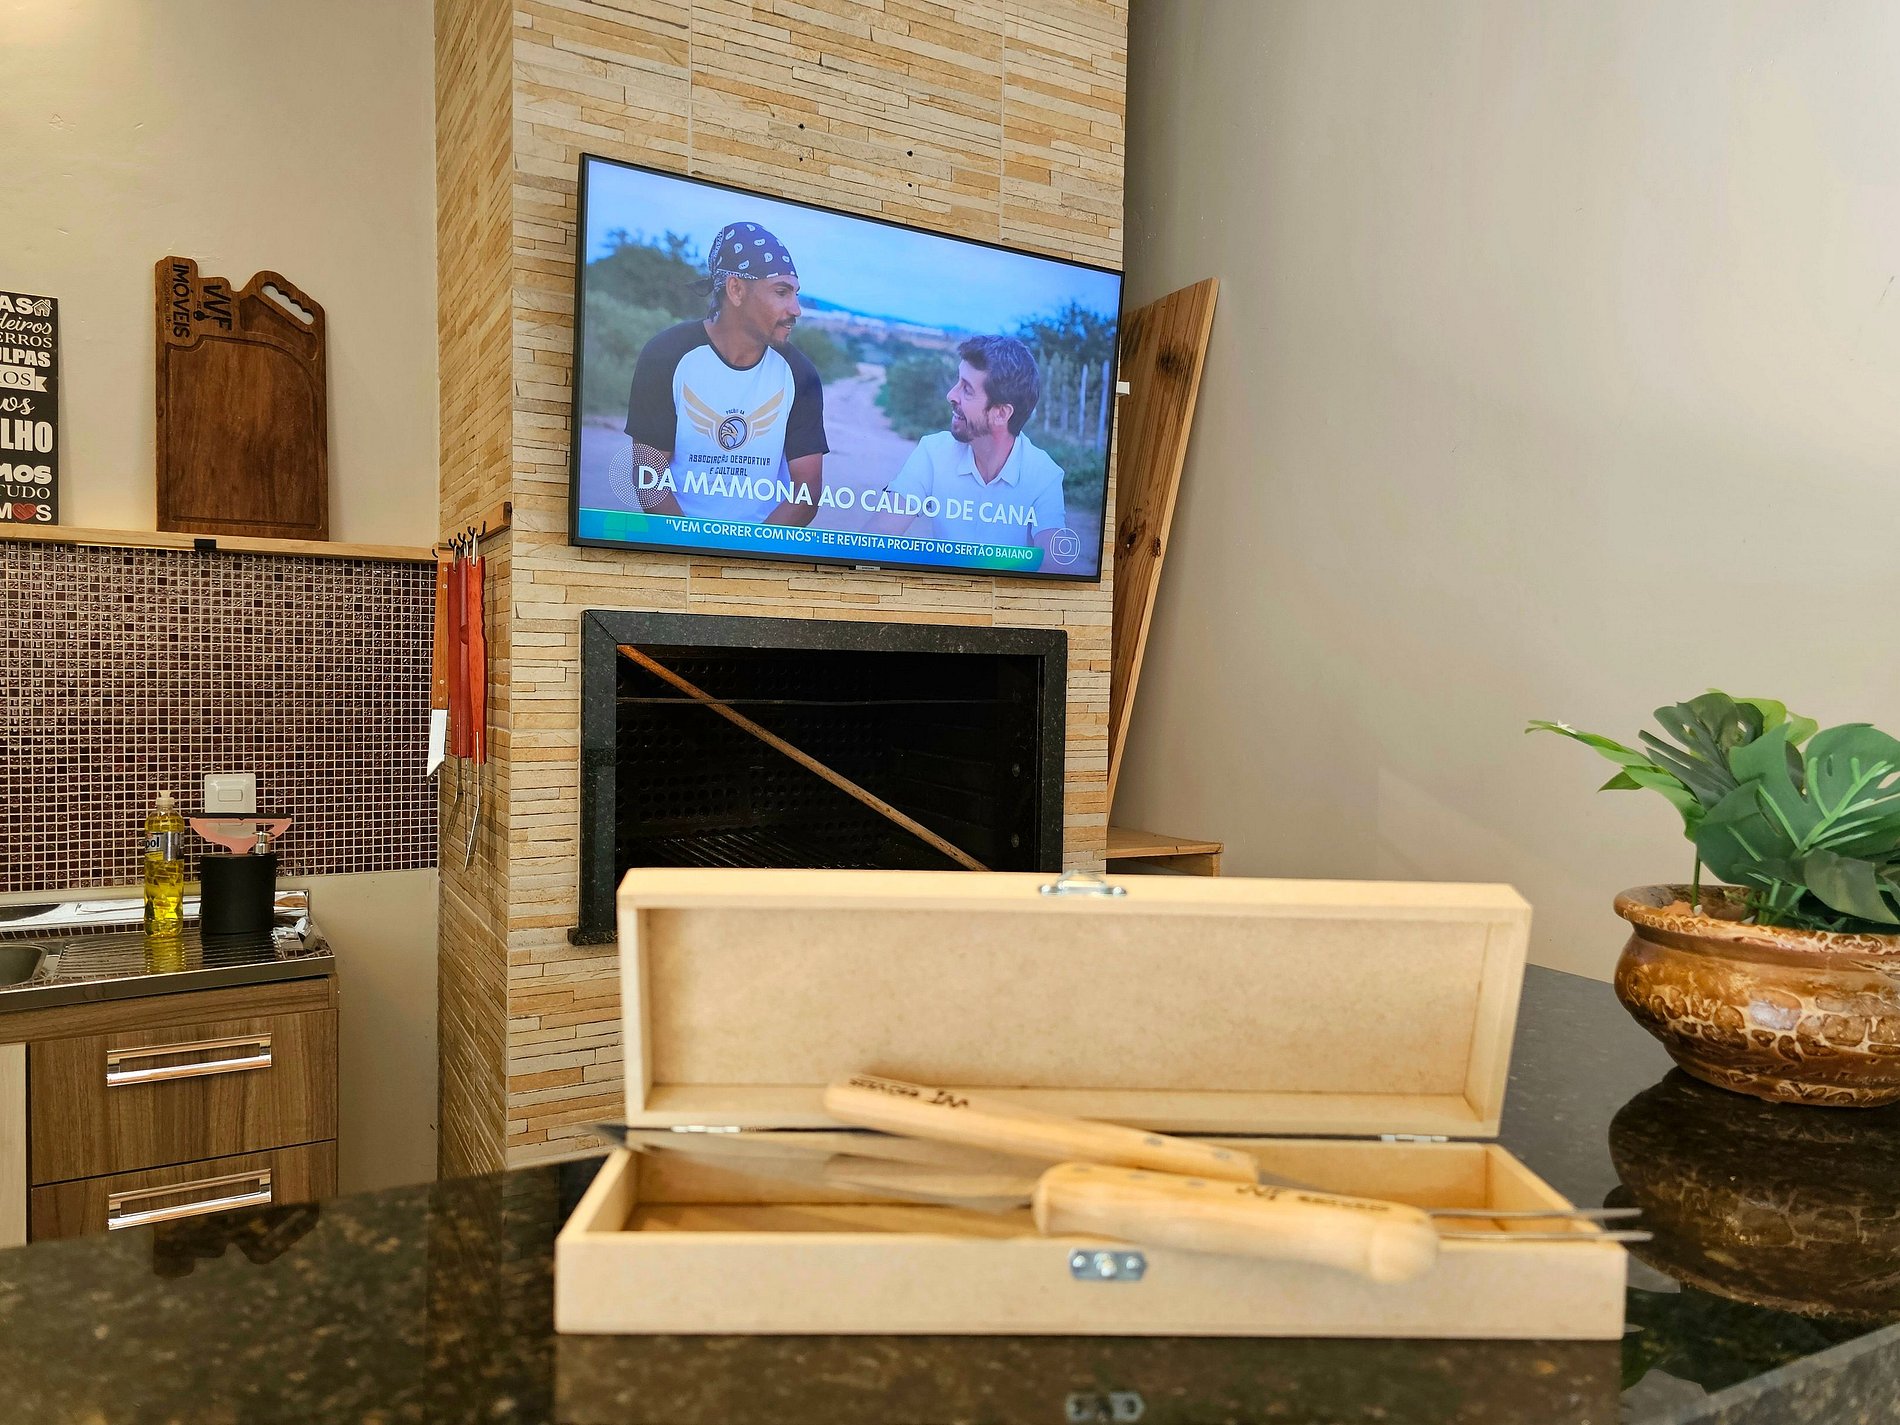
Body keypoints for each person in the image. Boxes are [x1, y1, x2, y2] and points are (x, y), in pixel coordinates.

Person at [617, 221, 826, 525]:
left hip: (761, 547)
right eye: (781, 292)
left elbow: (806, 495)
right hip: (675, 543)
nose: (796, 309)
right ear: (736, 289)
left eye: (795, 294)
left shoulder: (799, 374)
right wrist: (686, 543)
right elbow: (649, 477)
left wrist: (749, 549)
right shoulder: (666, 355)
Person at [867, 335, 1071, 557]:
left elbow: (1054, 562)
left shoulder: (1044, 475)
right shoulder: (933, 451)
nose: (951, 395)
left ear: (1001, 413)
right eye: (958, 382)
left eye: (967, 389)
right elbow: (881, 531)